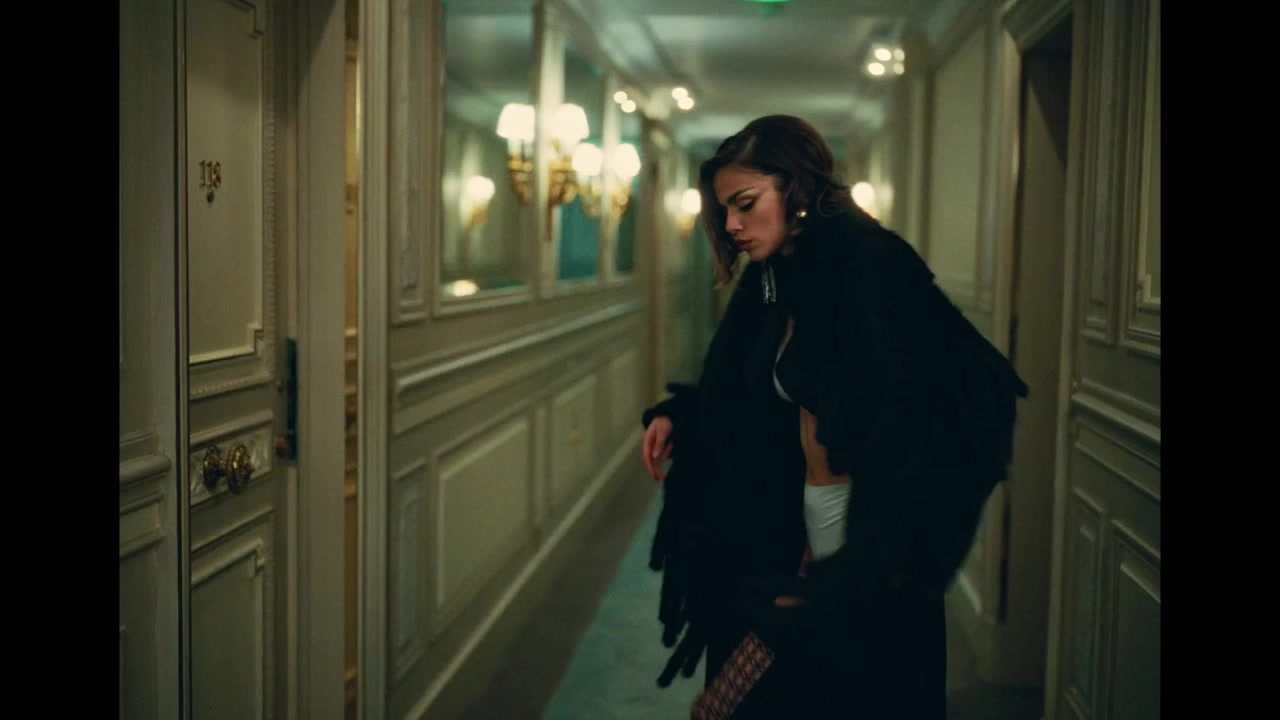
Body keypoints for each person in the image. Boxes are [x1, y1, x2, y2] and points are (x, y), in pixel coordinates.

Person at [640, 115, 1028, 718]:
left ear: (795, 187)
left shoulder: (875, 266)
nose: (733, 225)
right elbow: (740, 388)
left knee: (861, 697)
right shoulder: (770, 279)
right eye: (726, 210)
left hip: (865, 542)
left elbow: (978, 393)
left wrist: (891, 547)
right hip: (786, 529)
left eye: (746, 204)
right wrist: (681, 415)